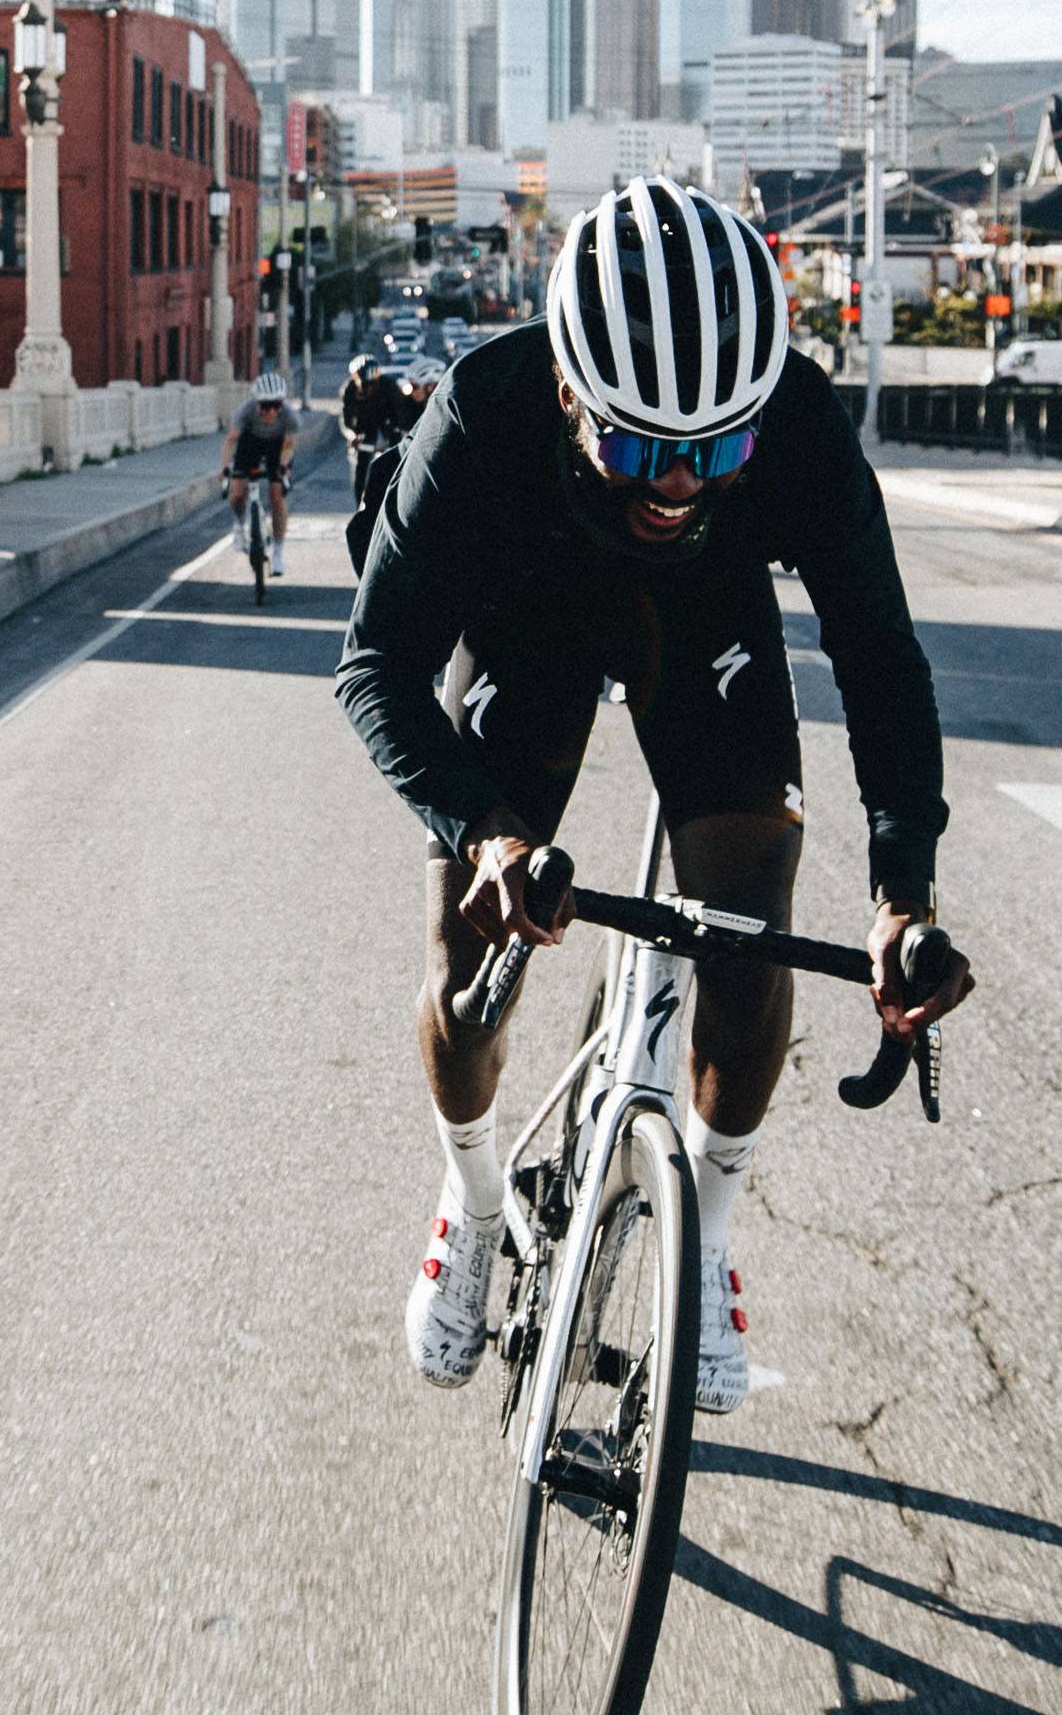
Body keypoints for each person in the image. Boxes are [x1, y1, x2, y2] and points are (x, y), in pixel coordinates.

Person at [330, 180, 971, 1414]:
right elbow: (373, 667)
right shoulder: (482, 411)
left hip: (705, 625)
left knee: (745, 936)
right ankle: (467, 1202)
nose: (676, 482)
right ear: (571, 391)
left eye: (714, 449)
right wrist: (488, 833)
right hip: (529, 614)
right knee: (469, 963)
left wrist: (903, 892)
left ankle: (709, 1232)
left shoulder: (791, 423)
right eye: (636, 447)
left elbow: (882, 660)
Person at [335, 351, 430, 574]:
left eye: (372, 383)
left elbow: (399, 415)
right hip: (364, 429)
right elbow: (345, 420)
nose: (368, 388)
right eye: (364, 384)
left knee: (393, 459)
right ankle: (363, 507)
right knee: (362, 466)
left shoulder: (387, 387)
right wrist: (352, 437)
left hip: (387, 423)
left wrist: (397, 438)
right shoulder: (349, 390)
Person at [223, 379, 297, 550]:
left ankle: (278, 550)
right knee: (237, 492)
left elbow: (288, 446)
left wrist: (283, 467)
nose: (271, 411)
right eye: (265, 406)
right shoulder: (245, 412)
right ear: (257, 403)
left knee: (277, 496)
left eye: (276, 405)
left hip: (276, 448)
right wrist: (225, 468)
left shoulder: (289, 416)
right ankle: (239, 525)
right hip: (249, 445)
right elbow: (230, 442)